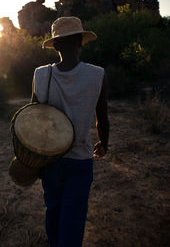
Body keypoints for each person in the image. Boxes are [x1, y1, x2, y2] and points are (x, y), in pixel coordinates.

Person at [31, 16, 109, 247]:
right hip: (80, 159)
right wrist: (103, 142)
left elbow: (31, 118)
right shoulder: (97, 74)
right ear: (81, 42)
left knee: (53, 209)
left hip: (50, 159)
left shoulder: (40, 74)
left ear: (54, 46)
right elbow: (102, 117)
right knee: (73, 218)